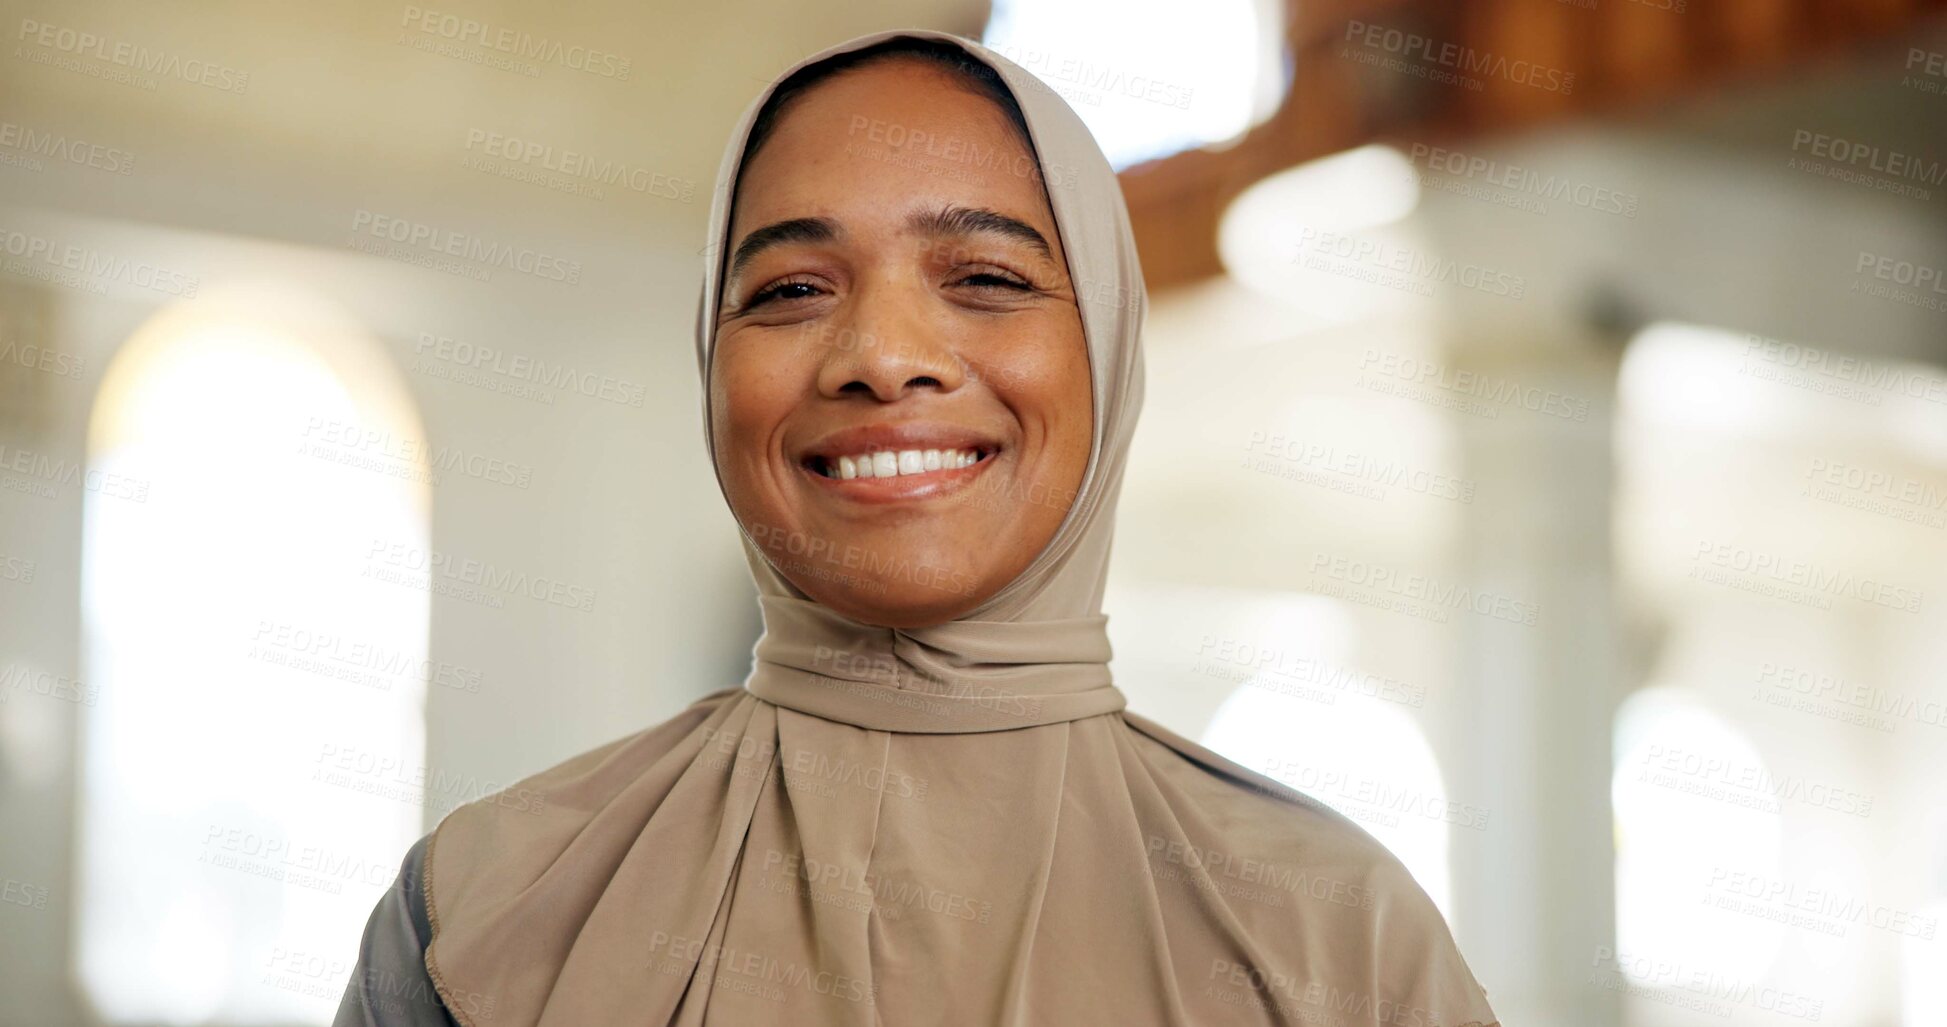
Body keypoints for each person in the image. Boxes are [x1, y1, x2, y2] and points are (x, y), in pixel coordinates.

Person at [336, 28, 1499, 1027]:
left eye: (986, 276)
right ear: (711, 357)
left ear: (1107, 349)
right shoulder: (487, 910)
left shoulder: (1338, 941)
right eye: (792, 289)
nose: (884, 358)